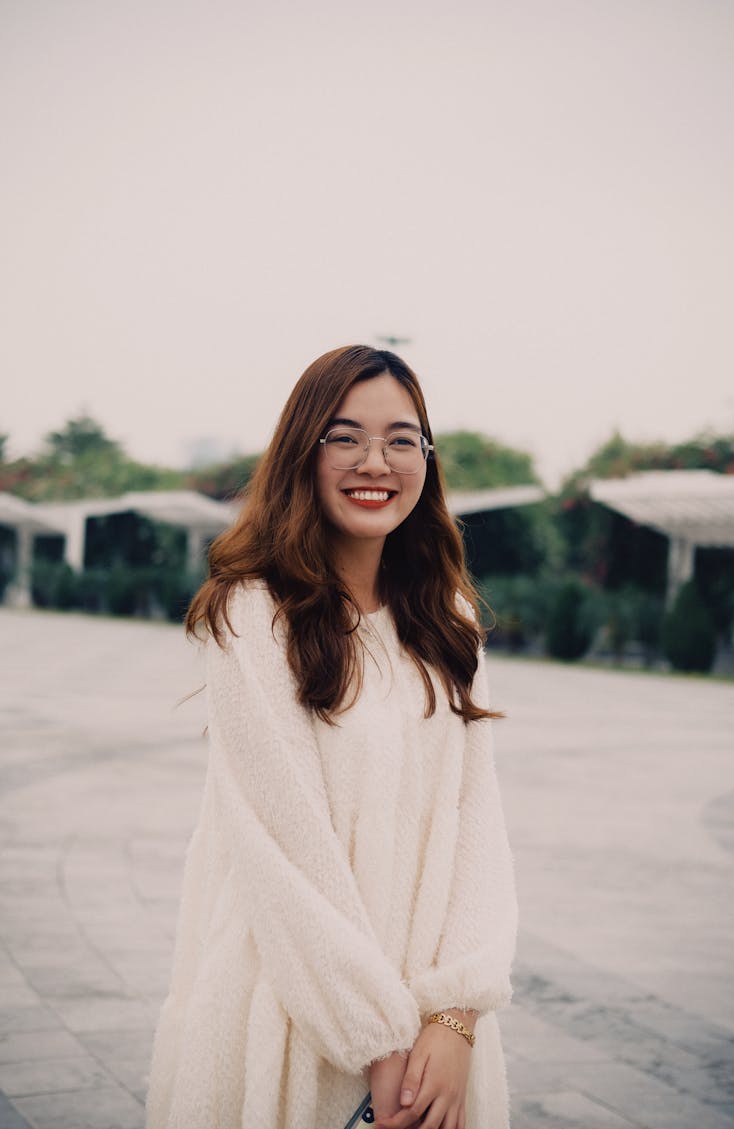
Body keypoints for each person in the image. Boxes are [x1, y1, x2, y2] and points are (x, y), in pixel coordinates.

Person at [145, 345, 518, 1129]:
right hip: (287, 1018)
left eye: (401, 438)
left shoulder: (445, 619)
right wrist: (376, 1038)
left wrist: (455, 1016)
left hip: (433, 1037)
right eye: (344, 436)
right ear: (303, 453)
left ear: (427, 457)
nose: (374, 461)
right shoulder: (251, 614)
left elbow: (478, 825)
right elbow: (285, 849)